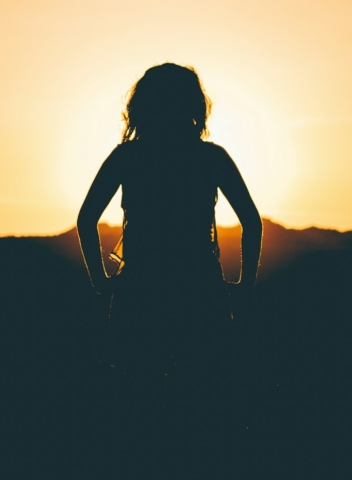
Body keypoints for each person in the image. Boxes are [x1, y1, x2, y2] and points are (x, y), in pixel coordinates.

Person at [77, 63, 262, 399]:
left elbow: (86, 218)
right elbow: (251, 221)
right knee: (203, 395)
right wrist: (245, 285)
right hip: (201, 289)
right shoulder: (211, 157)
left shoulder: (127, 156)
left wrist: (101, 282)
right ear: (194, 105)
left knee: (137, 395)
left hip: (139, 289)